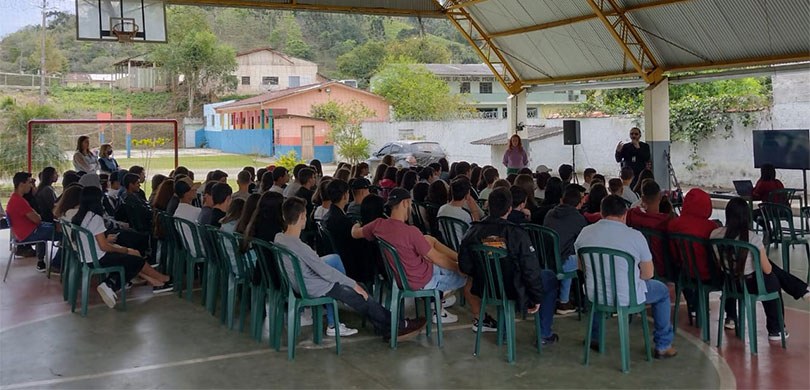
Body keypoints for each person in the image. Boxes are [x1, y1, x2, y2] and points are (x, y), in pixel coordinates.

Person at [277, 197, 426, 339]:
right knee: (361, 295)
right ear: (302, 216)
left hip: (301, 283)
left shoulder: (280, 238)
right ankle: (400, 324)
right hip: (316, 286)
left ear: (285, 217)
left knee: (352, 284)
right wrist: (352, 283)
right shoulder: (301, 248)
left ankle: (384, 326)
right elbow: (325, 273)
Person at [352, 188, 482, 326]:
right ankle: (439, 301)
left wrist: (356, 224)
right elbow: (438, 258)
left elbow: (354, 233)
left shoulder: (378, 225)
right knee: (466, 277)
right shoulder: (411, 232)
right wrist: (461, 268)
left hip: (403, 276)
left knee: (429, 242)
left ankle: (441, 297)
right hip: (421, 280)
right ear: (405, 203)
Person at [574, 195, 677, 359]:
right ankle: (663, 345)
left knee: (596, 289)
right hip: (628, 296)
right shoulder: (635, 237)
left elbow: (581, 267)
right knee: (662, 292)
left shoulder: (585, 233)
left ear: (601, 213)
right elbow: (648, 274)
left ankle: (594, 338)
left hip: (595, 295)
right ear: (625, 214)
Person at [458, 187, 558, 340]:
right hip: (514, 288)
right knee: (549, 277)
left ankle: (504, 331)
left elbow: (464, 266)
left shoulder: (472, 231)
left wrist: (486, 272)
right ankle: (544, 333)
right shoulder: (517, 233)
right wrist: (536, 297)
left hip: (485, 288)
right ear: (509, 209)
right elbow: (530, 268)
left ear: (487, 206)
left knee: (504, 276)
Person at [710, 198, 810, 340]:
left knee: (749, 270)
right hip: (751, 285)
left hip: (730, 284)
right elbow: (768, 270)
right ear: (747, 216)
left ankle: (731, 317)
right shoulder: (752, 238)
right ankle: (776, 329)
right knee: (772, 278)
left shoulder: (715, 234)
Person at [70, 186, 172, 309]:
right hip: (99, 258)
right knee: (135, 259)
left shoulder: (79, 217)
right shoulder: (95, 218)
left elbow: (92, 239)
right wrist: (121, 250)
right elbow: (104, 247)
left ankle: (158, 281)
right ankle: (110, 284)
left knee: (132, 255)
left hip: (86, 257)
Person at [667, 188, 731, 327]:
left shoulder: (674, 224)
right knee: (731, 277)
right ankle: (731, 316)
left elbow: (673, 252)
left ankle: (693, 305)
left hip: (685, 273)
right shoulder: (711, 227)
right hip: (709, 275)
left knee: (684, 271)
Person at [543, 185, 588, 315]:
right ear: (579, 204)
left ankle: (564, 299)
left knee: (568, 254)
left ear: (562, 200)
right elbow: (583, 241)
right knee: (584, 258)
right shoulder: (578, 219)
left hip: (546, 258)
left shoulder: (550, 213)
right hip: (563, 261)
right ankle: (570, 300)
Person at [324, 180, 375, 285]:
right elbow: (355, 241)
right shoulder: (340, 220)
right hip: (349, 262)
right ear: (344, 196)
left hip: (341, 256)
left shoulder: (330, 215)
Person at [6, 172, 55, 271]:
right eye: (29, 182)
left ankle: (48, 263)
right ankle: (57, 265)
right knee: (65, 235)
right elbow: (37, 219)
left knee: (55, 227)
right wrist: (37, 216)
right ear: (21, 184)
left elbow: (36, 217)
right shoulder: (19, 201)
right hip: (29, 233)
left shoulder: (16, 198)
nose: (31, 185)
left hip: (30, 230)